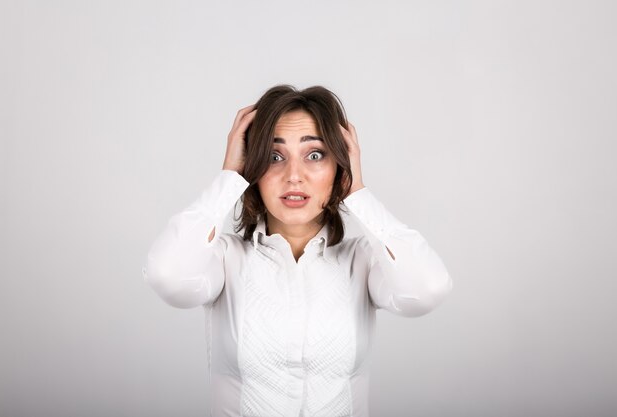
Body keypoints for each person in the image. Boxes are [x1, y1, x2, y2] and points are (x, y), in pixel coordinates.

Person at [142, 84, 453, 417]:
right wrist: (229, 177)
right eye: (274, 157)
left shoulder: (362, 262)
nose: (293, 176)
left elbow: (427, 289)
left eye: (315, 155)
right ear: (253, 168)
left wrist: (358, 192)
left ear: (339, 167)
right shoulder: (224, 259)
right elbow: (168, 277)